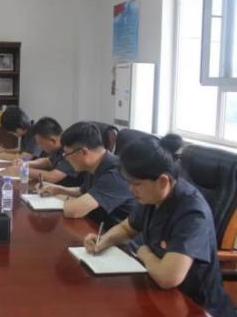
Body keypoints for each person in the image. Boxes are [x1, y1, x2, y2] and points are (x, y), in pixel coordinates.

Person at [83, 135, 236, 317]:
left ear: (163, 181)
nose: (131, 189)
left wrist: (143, 252)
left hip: (197, 306)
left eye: (136, 184)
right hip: (156, 291)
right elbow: (126, 228)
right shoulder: (153, 196)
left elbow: (168, 277)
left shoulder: (192, 213)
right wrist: (104, 240)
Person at [37, 121, 136, 227]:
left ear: (84, 152)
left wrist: (64, 198)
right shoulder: (95, 164)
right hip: (95, 223)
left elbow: (73, 211)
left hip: (111, 231)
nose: (66, 159)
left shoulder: (116, 173)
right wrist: (59, 189)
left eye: (67, 154)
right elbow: (84, 191)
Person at [13, 117, 78, 186]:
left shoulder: (70, 149)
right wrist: (25, 163)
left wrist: (23, 170)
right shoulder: (58, 148)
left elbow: (52, 177)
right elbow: (48, 161)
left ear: (53, 140)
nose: (40, 147)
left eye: (40, 143)